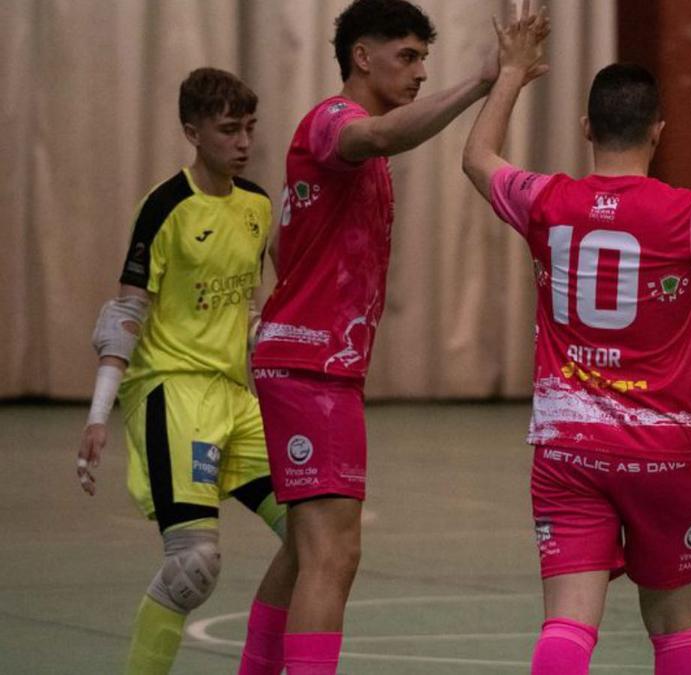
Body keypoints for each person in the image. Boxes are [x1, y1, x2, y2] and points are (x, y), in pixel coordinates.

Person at [462, 16, 691, 673]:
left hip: (567, 445)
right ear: (659, 130)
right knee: (676, 631)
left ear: (586, 128)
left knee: (568, 624)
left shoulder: (547, 199)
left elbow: (477, 158)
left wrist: (511, 72)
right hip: (662, 449)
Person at [236, 1, 517, 672]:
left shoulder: (338, 142)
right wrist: (482, 82)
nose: (421, 71)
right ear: (362, 56)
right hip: (311, 370)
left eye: (425, 58)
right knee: (335, 552)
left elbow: (284, 242)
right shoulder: (336, 124)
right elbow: (383, 137)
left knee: (308, 550)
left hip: (309, 361)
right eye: (408, 56)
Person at [75, 67, 287, 674]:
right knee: (194, 563)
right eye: (228, 130)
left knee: (316, 535)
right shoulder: (165, 207)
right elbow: (126, 312)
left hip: (236, 397)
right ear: (192, 132)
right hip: (172, 392)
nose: (244, 142)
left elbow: (249, 304)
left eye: (250, 128)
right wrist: (98, 414)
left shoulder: (257, 206)